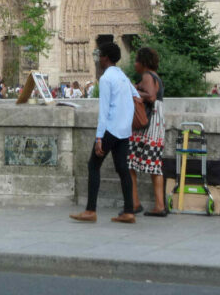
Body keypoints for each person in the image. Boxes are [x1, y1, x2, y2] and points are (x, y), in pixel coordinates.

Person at [69, 41, 137, 224]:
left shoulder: (106, 78)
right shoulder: (123, 76)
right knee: (123, 169)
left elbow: (104, 110)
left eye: (99, 55)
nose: (98, 58)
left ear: (105, 58)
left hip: (111, 130)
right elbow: (136, 97)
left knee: (93, 166)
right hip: (124, 130)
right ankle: (129, 211)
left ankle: (90, 210)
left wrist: (99, 137)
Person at [127, 46, 167, 217]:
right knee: (154, 165)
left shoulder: (147, 76)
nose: (134, 64)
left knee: (130, 162)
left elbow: (150, 96)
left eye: (136, 60)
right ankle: (159, 205)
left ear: (142, 63)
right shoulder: (155, 76)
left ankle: (135, 202)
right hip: (156, 124)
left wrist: (134, 91)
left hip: (147, 125)